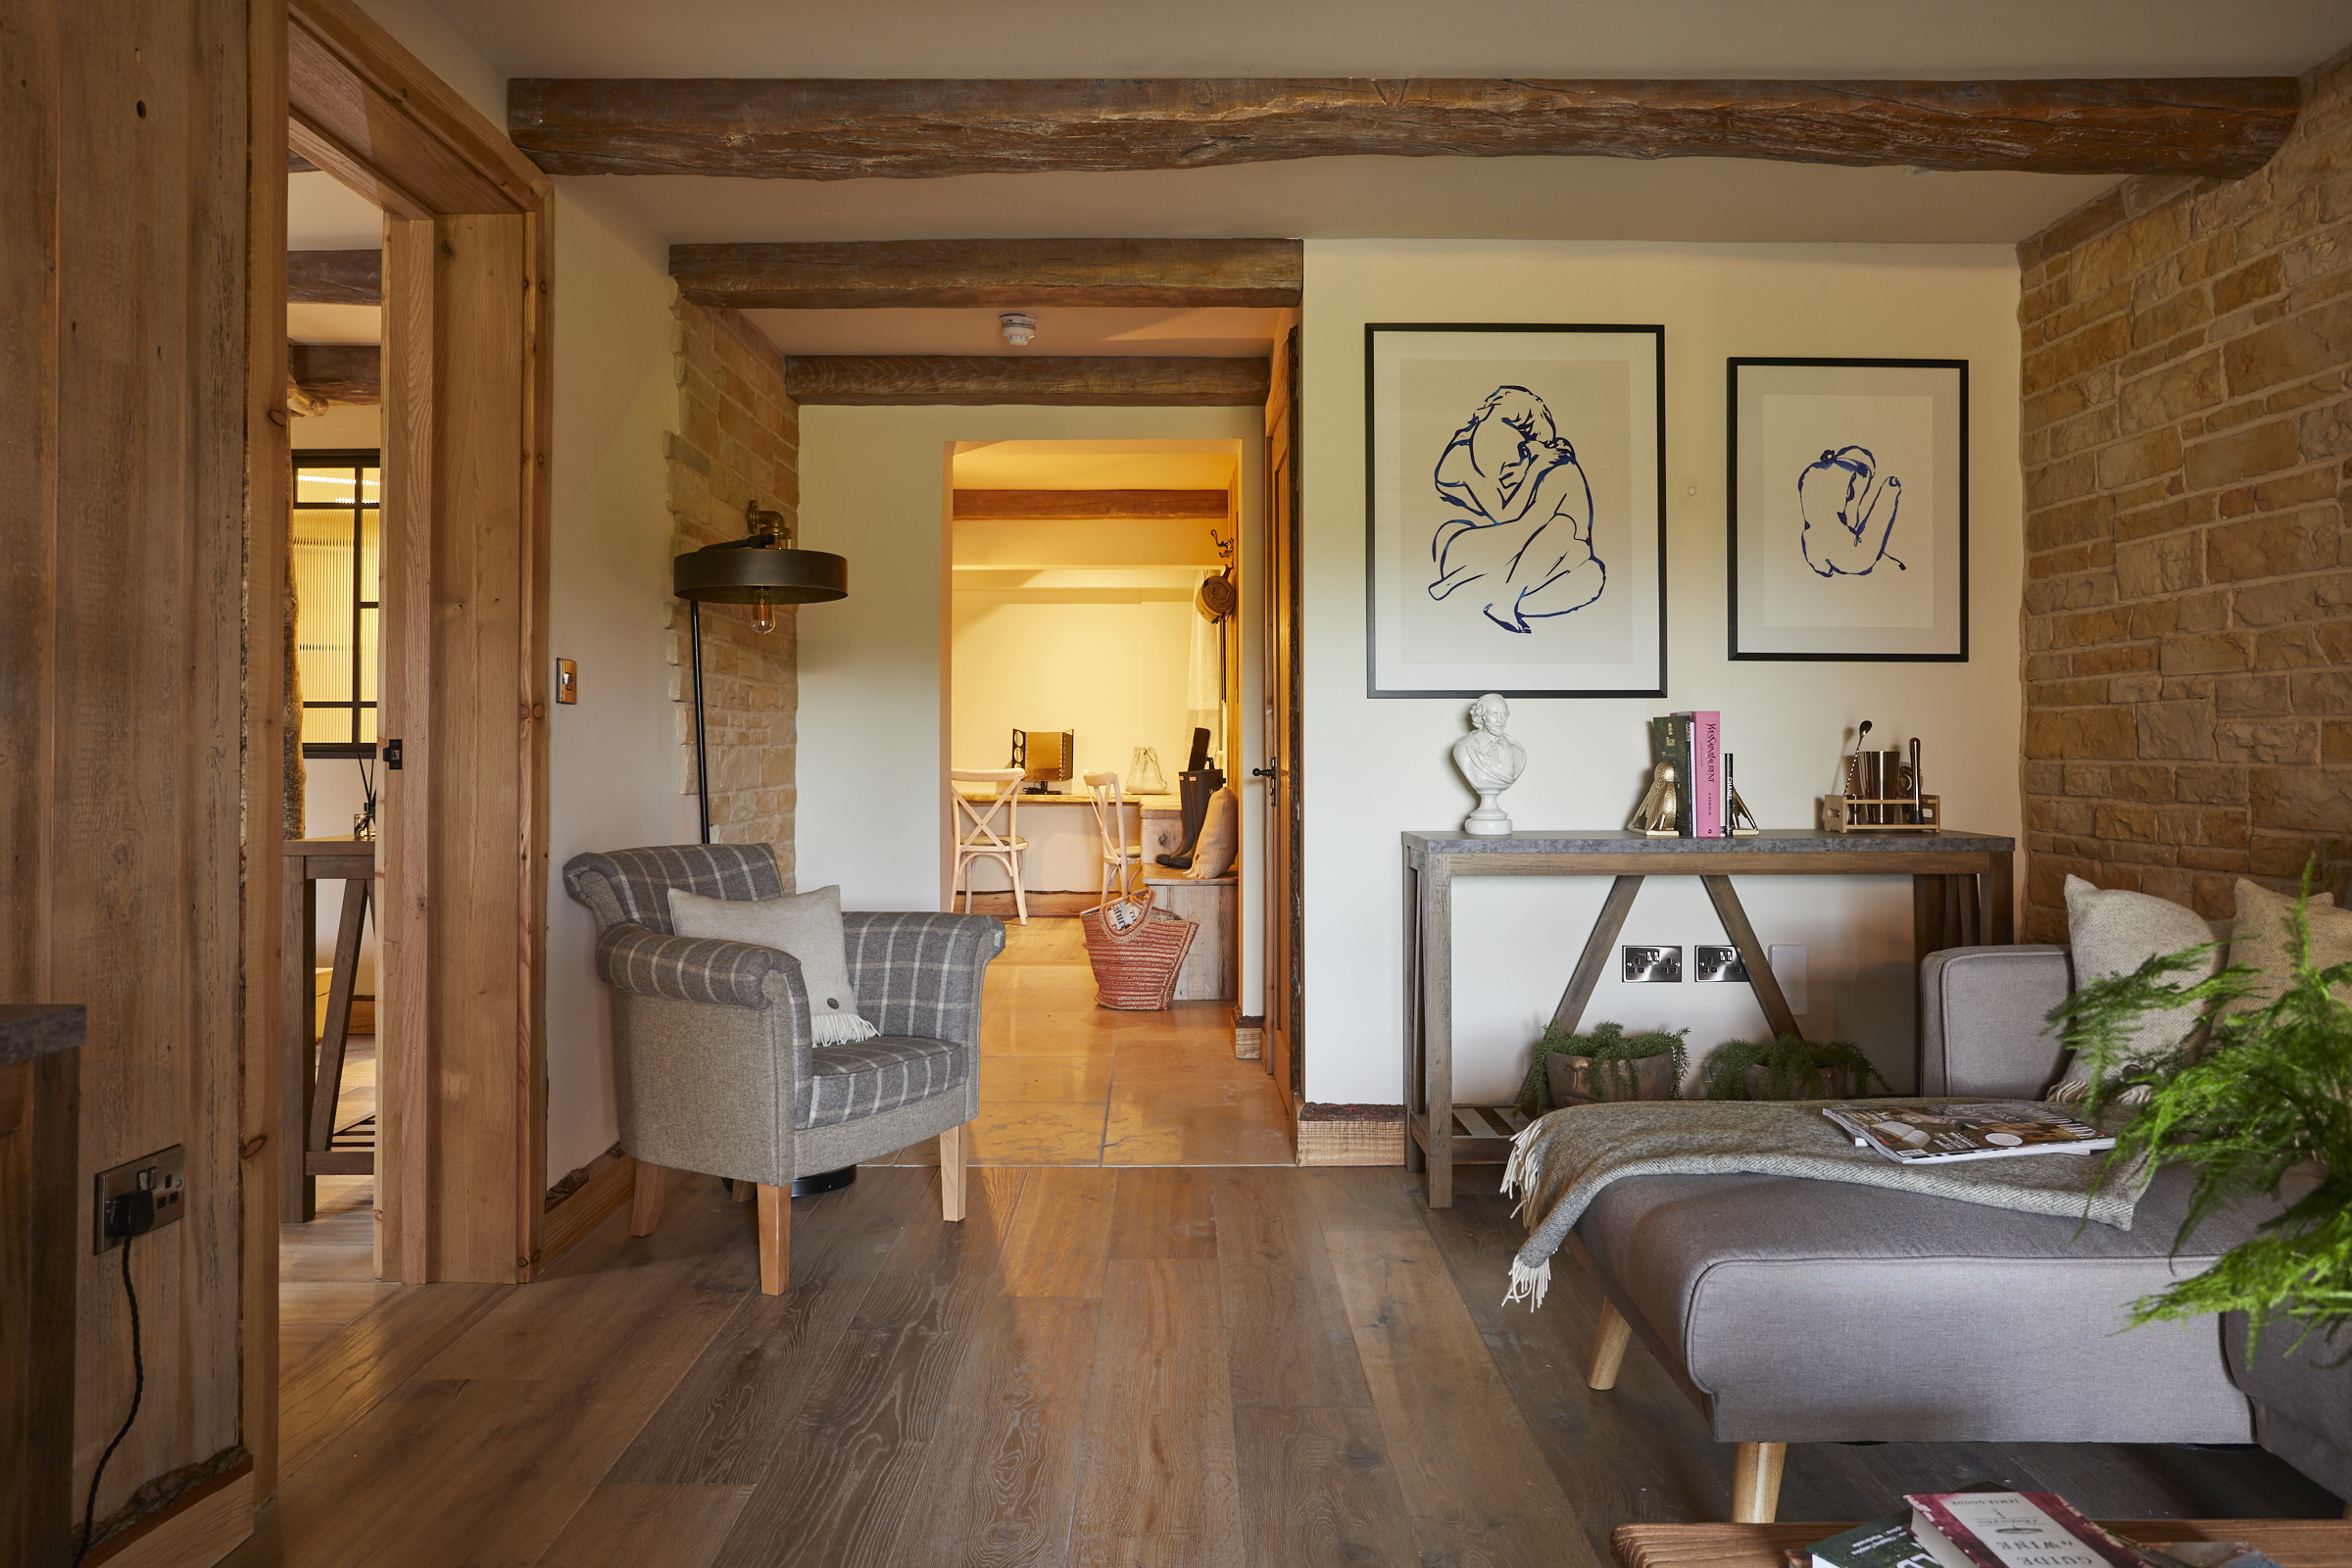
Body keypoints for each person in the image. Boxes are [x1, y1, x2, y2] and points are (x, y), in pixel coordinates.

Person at [1428, 386, 1607, 633]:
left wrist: (1531, 470)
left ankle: (1486, 593)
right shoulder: (1464, 459)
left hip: (1512, 567)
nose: (1518, 458)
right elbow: (1510, 518)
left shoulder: (1532, 467)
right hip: (1470, 553)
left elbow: (1522, 521)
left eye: (1527, 451)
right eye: (1522, 447)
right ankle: (1485, 592)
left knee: (1590, 573)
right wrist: (1534, 470)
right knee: (1563, 530)